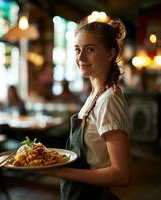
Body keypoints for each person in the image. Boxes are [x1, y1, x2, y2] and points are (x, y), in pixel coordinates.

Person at [41, 17, 132, 200]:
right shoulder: (95, 96)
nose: (80, 57)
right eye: (77, 50)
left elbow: (121, 174)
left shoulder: (109, 100)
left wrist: (61, 172)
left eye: (90, 49)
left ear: (110, 53)